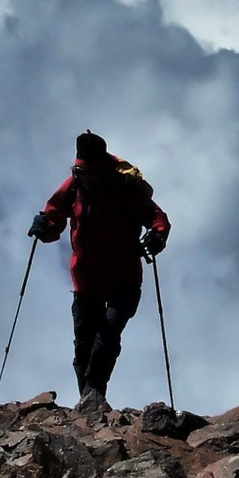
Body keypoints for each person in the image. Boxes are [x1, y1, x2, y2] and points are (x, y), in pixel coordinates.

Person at [28, 129, 171, 416]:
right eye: (82, 172)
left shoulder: (126, 187)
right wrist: (45, 226)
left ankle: (93, 394)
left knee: (107, 336)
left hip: (124, 279)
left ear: (103, 167)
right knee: (84, 343)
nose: (87, 177)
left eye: (91, 172)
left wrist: (158, 235)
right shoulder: (75, 185)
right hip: (86, 280)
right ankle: (90, 403)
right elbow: (55, 212)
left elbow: (157, 218)